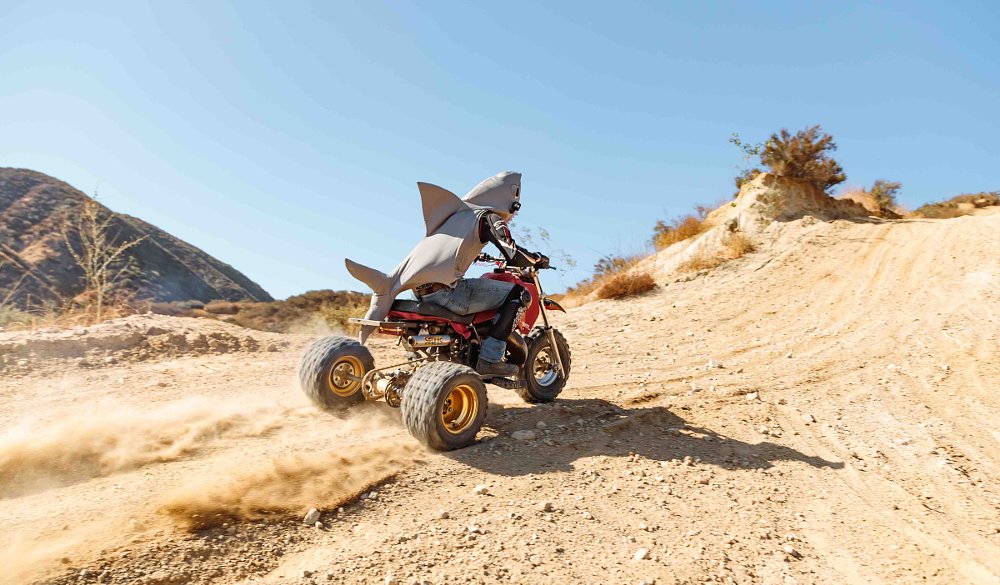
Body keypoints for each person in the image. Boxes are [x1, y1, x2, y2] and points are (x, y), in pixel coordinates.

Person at [344, 171, 548, 377]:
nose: (514, 215)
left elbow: (452, 248)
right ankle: (490, 359)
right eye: (516, 207)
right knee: (519, 294)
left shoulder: (455, 215)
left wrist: (477, 255)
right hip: (446, 293)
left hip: (421, 291)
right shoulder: (488, 217)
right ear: (510, 201)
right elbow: (512, 253)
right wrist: (536, 258)